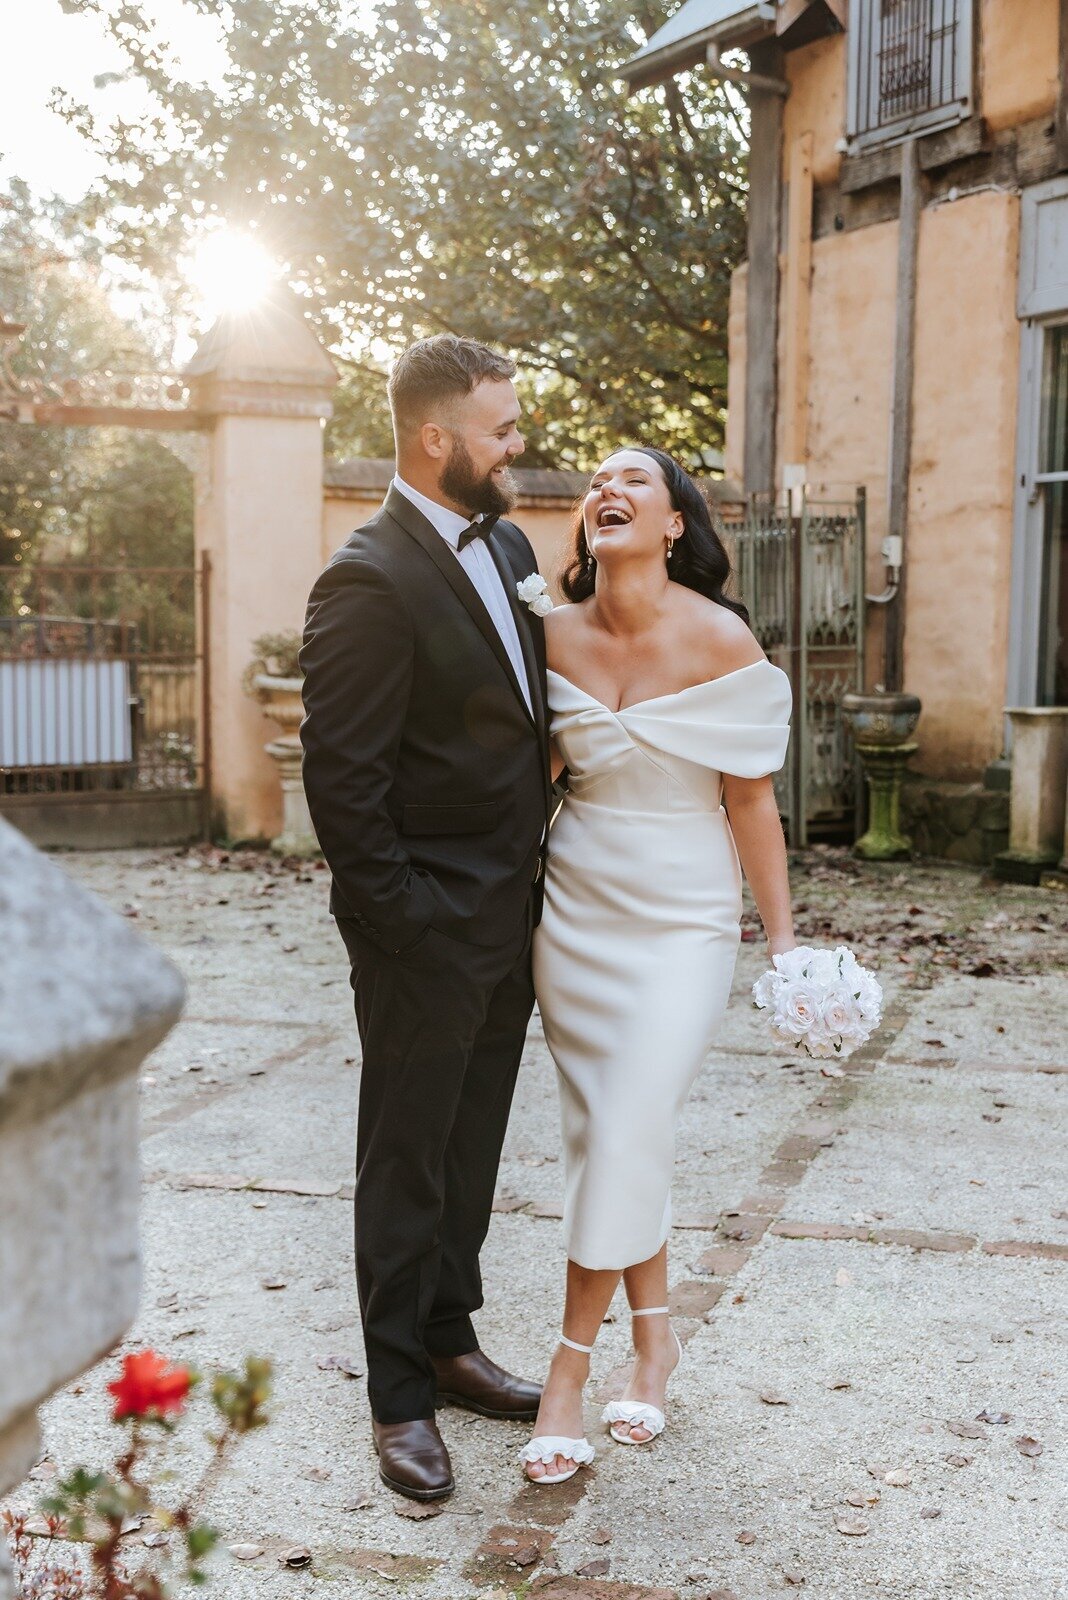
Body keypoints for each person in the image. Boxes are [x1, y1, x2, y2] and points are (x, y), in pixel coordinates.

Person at [300, 334, 552, 1503]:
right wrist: (405, 921)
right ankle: (400, 1397)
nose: (518, 445)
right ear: (435, 436)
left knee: (470, 1143)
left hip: (511, 916)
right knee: (405, 1158)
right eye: (501, 429)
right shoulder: (367, 577)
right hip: (425, 929)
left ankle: (451, 1340)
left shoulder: (508, 544)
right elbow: (342, 779)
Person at [520, 447, 795, 1484]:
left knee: (628, 1122)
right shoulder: (551, 635)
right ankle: (654, 1342)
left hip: (684, 919)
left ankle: (567, 1368)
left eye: (635, 479)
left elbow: (750, 800)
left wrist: (784, 944)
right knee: (612, 1136)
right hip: (575, 918)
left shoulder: (722, 637)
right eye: (598, 480)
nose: (610, 490)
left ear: (676, 521)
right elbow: (529, 781)